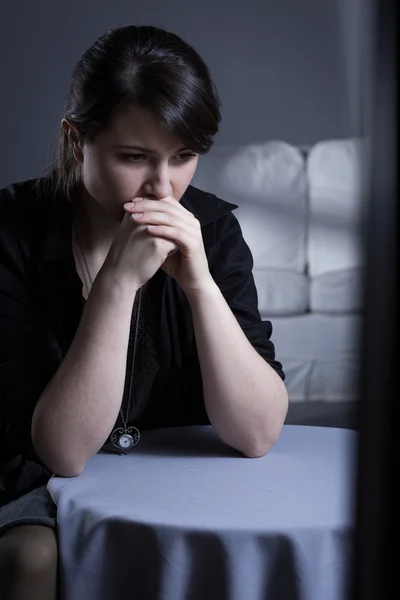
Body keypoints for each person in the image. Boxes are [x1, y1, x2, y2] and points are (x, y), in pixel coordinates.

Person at [0, 24, 288, 600]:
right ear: (76, 139)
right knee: (30, 554)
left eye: (184, 157)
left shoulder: (213, 228)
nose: (164, 188)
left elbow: (257, 432)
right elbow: (60, 451)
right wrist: (116, 285)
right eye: (135, 157)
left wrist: (201, 285)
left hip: (172, 469)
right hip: (36, 469)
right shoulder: (13, 230)